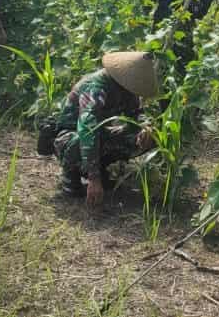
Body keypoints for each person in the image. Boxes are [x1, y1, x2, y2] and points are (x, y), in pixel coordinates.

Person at [52, 51, 156, 210]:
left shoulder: (126, 89)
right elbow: (87, 129)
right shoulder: (96, 88)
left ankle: (101, 168)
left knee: (145, 137)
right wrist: (94, 178)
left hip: (99, 133)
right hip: (71, 136)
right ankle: (70, 175)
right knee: (81, 140)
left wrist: (146, 127)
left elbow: (137, 114)